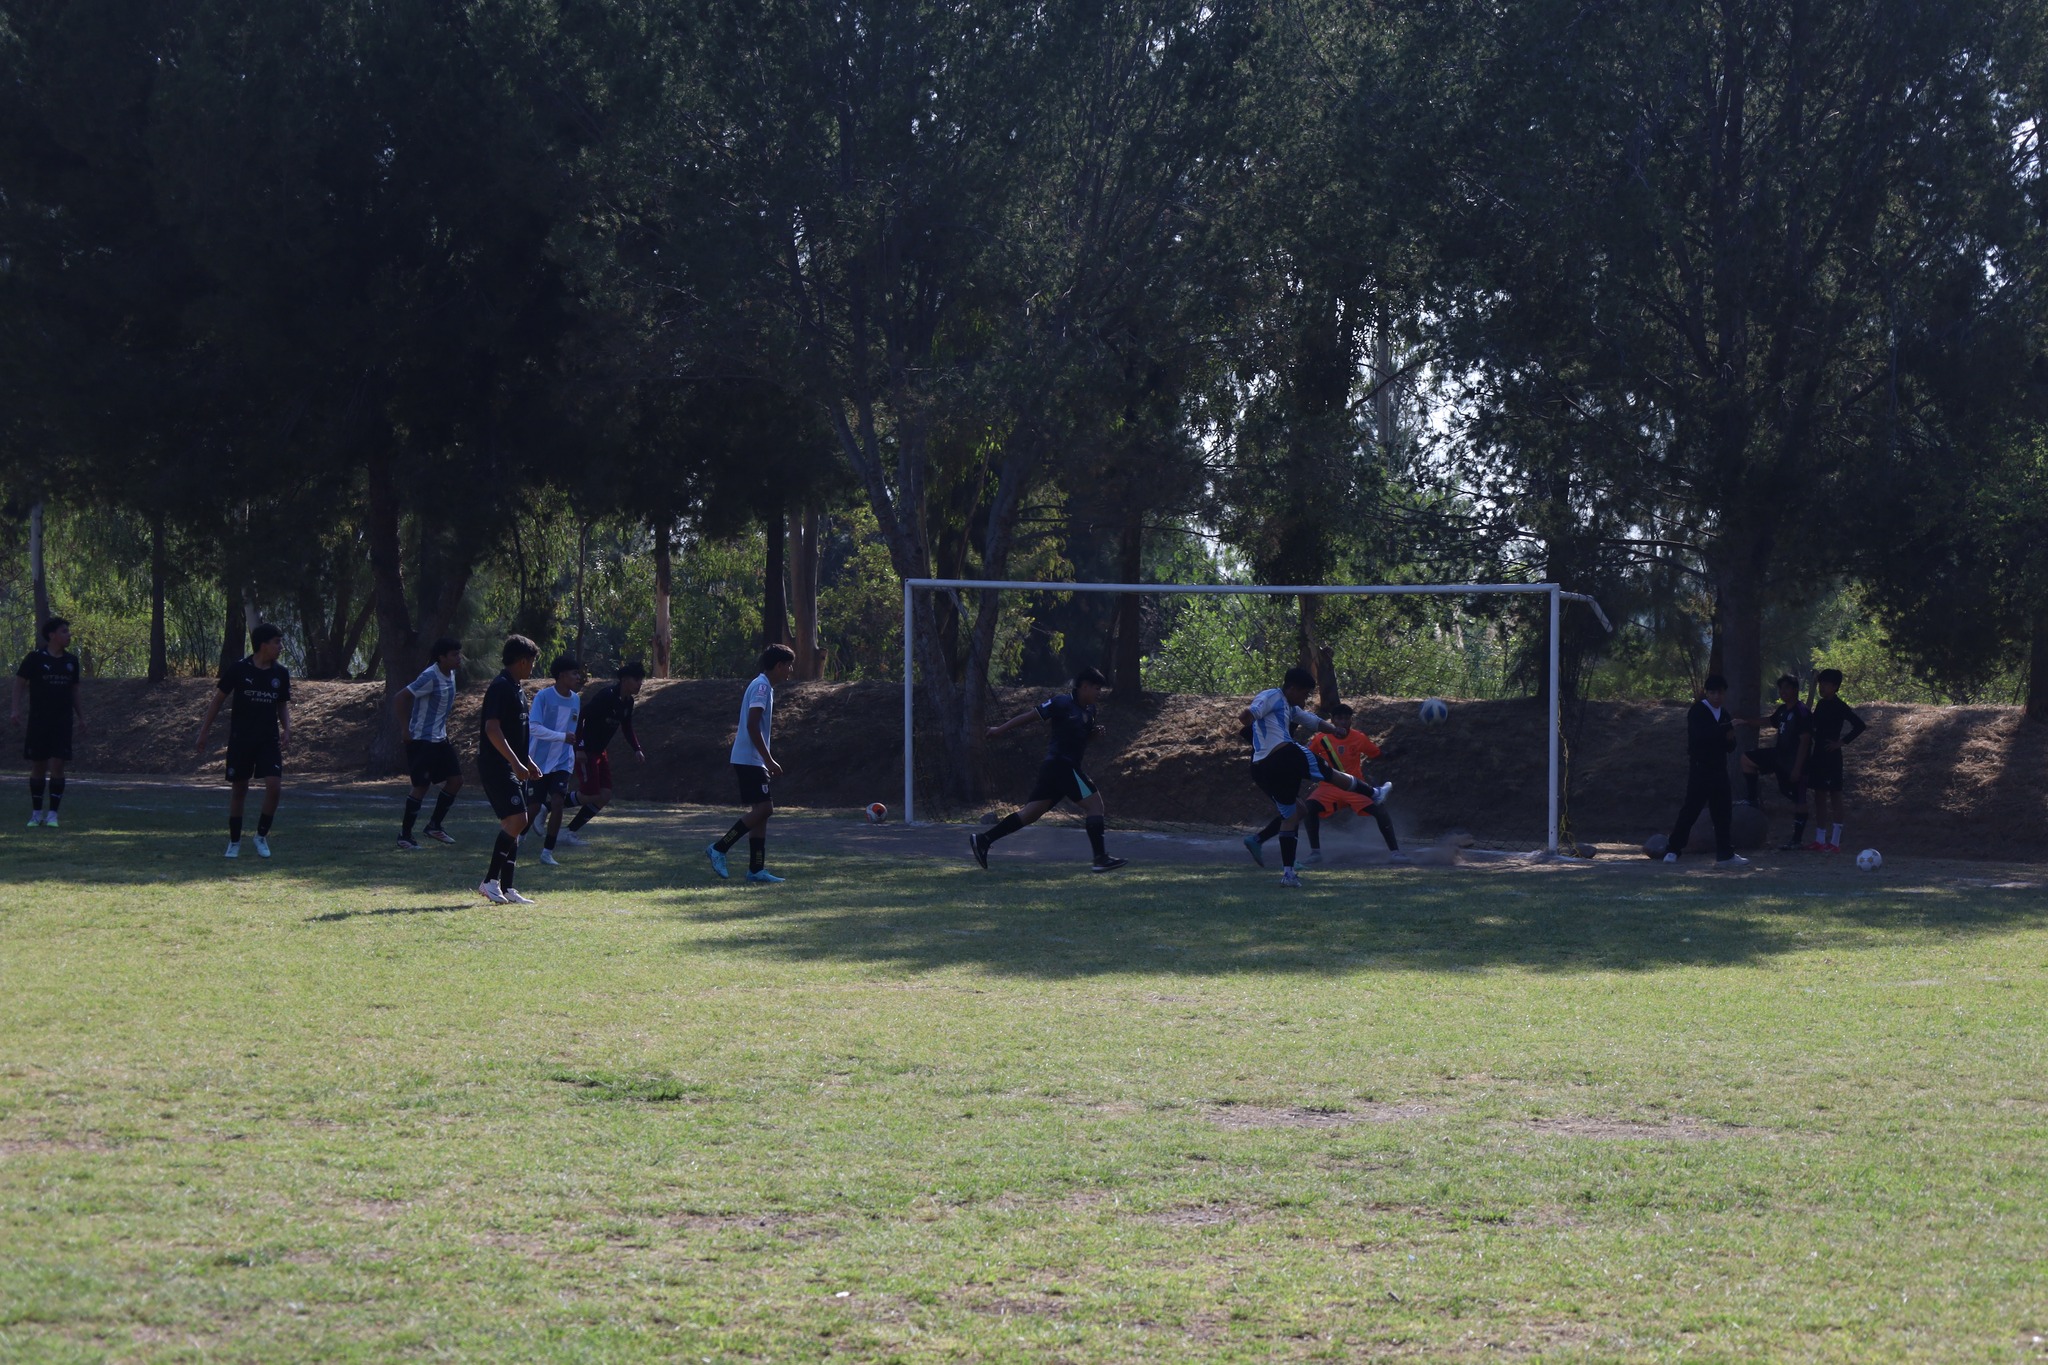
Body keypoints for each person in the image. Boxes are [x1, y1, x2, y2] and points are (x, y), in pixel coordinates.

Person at [969, 667, 1128, 873]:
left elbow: (1081, 739)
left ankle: (983, 840)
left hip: (1059, 769)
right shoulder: (1062, 702)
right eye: (1097, 688)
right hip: (1061, 765)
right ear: (1084, 686)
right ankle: (1100, 859)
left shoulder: (1090, 711)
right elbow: (1030, 716)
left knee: (1029, 815)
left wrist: (1093, 736)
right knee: (1095, 806)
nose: (1100, 693)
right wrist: (999, 730)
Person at [1238, 666, 1383, 887]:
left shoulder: (1288, 706)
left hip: (1262, 768)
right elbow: (1248, 714)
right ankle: (1373, 794)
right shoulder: (1271, 696)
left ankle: (1288, 874)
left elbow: (1311, 720)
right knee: (1329, 773)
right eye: (1304, 693)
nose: (1305, 698)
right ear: (1293, 688)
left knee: (1293, 814)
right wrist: (1249, 719)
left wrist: (1334, 730)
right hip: (1284, 754)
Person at [1246, 703, 1397, 865]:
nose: (1343, 722)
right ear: (1332, 720)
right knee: (1306, 809)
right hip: (1328, 787)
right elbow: (1304, 757)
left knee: (1380, 810)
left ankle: (1395, 853)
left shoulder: (1359, 737)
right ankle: (1313, 853)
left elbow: (1377, 754)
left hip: (1355, 787)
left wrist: (1394, 755)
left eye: (1347, 719)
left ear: (1351, 720)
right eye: (1339, 719)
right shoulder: (1320, 739)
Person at [195, 622, 291, 859]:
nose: (281, 647)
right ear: (263, 645)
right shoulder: (239, 669)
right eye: (277, 642)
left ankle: (261, 836)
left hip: (268, 739)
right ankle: (235, 841)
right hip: (242, 739)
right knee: (240, 789)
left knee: (274, 787)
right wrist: (204, 731)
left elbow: (281, 704)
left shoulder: (281, 673)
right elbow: (218, 700)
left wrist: (287, 729)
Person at [708, 643, 796, 884]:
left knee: (761, 813)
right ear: (779, 665)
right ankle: (719, 848)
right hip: (750, 759)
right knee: (765, 809)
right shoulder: (761, 686)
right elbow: (751, 725)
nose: (790, 671)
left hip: (752, 759)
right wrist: (768, 759)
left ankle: (756, 870)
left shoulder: (764, 685)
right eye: (789, 666)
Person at [476, 636, 542, 904]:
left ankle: (508, 887)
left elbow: (515, 734)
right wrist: (515, 762)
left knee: (513, 825)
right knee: (518, 820)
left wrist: (527, 761)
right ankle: (490, 881)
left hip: (513, 764)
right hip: (497, 765)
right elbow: (492, 729)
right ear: (523, 661)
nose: (533, 668)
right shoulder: (500, 687)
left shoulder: (516, 689)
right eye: (532, 662)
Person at [1659, 673, 1747, 867]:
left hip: (1719, 769)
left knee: (1723, 812)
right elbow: (1702, 736)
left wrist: (1730, 738)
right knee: (1691, 809)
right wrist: (1726, 729)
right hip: (1701, 769)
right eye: (1713, 692)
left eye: (1720, 693)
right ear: (1706, 693)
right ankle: (1673, 849)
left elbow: (1729, 747)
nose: (1716, 696)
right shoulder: (1698, 711)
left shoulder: (1724, 714)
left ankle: (1725, 854)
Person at [13, 616, 85, 829]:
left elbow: (75, 691)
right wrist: (15, 709)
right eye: (64, 631)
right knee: (39, 765)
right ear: (52, 635)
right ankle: (36, 814)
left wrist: (81, 717)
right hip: (39, 720)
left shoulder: (71, 661)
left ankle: (53, 815)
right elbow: (19, 684)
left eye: (68, 631)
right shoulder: (34, 658)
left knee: (58, 764)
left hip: (62, 721)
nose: (69, 635)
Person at [563, 661, 646, 843]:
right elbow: (582, 717)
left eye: (641, 680)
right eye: (637, 679)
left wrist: (637, 749)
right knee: (590, 795)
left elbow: (626, 727)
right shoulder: (606, 696)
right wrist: (580, 747)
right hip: (587, 751)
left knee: (605, 795)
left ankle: (568, 832)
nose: (640, 683)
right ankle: (547, 806)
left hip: (600, 752)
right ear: (624, 680)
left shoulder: (628, 702)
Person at [394, 637, 464, 851]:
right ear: (441, 657)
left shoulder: (451, 673)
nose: (458, 658)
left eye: (459, 653)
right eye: (454, 654)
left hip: (440, 738)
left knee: (456, 780)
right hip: (422, 739)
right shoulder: (430, 676)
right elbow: (400, 697)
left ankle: (434, 826)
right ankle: (405, 836)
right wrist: (405, 729)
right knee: (421, 786)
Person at [1740, 673, 1813, 851]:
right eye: (1781, 688)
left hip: (1795, 761)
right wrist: (1746, 721)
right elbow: (1769, 721)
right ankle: (1751, 799)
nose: (1783, 691)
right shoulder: (1782, 710)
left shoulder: (1802, 711)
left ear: (1795, 689)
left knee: (1799, 798)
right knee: (1747, 759)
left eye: (1787, 688)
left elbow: (1805, 740)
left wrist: (1797, 768)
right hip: (1779, 756)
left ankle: (1796, 840)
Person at [527, 655, 584, 866]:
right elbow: (533, 727)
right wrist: (561, 737)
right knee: (533, 807)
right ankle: (518, 837)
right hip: (539, 761)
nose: (578, 677)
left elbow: (573, 730)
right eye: (574, 673)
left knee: (558, 802)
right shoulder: (543, 696)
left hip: (562, 761)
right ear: (561, 675)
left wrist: (575, 747)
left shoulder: (576, 699)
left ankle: (547, 852)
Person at [1805, 668, 1868, 853]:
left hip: (1832, 756)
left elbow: (1859, 725)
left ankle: (1835, 842)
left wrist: (1841, 742)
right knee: (1819, 796)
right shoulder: (1821, 704)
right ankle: (1819, 839)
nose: (1822, 687)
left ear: (1835, 686)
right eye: (1820, 684)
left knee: (1835, 796)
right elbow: (1812, 722)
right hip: (1818, 754)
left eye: (1825, 684)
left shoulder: (1840, 706)